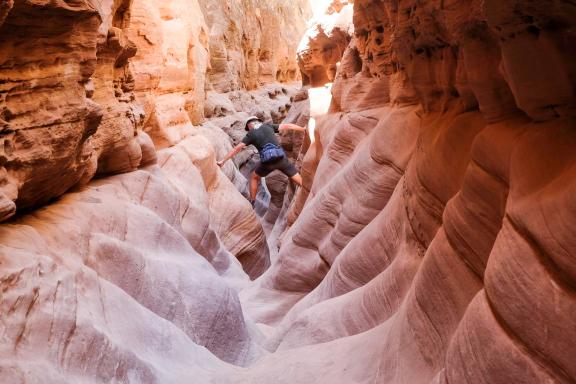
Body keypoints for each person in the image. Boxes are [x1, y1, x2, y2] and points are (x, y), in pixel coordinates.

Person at [217, 116, 307, 207]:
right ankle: (308, 190)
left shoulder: (251, 134)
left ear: (249, 125)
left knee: (254, 177)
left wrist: (222, 161)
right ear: (258, 121)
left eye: (248, 128)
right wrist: (302, 129)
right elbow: (288, 126)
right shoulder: (268, 126)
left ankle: (252, 202)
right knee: (294, 174)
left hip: (267, 163)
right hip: (281, 159)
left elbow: (237, 149)